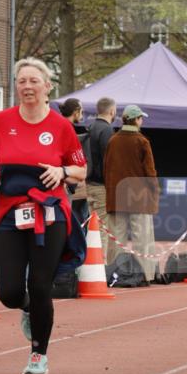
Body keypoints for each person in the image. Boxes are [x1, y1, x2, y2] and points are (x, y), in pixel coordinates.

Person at [0, 59, 87, 374]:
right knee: (9, 292)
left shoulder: (60, 126)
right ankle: (25, 306)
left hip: (50, 213)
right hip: (10, 212)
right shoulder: (1, 121)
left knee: (41, 285)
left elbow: (81, 169)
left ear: (47, 87)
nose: (27, 86)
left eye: (33, 81)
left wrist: (62, 171)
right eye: (22, 81)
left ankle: (38, 354)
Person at [103, 105, 159, 283]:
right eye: (141, 118)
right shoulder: (142, 141)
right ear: (135, 120)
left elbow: (107, 169)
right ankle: (146, 274)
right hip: (139, 199)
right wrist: (154, 195)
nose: (142, 121)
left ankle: (113, 273)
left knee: (116, 239)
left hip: (116, 197)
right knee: (142, 238)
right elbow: (150, 173)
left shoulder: (113, 140)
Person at [84, 96, 117, 261]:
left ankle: (89, 262)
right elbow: (109, 159)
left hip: (88, 182)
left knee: (91, 226)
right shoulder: (107, 130)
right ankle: (100, 264)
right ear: (112, 111)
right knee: (103, 228)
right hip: (101, 184)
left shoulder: (90, 127)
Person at [59, 98, 89, 227]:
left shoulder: (61, 126)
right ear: (76, 112)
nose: (82, 115)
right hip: (63, 183)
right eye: (81, 111)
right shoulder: (66, 128)